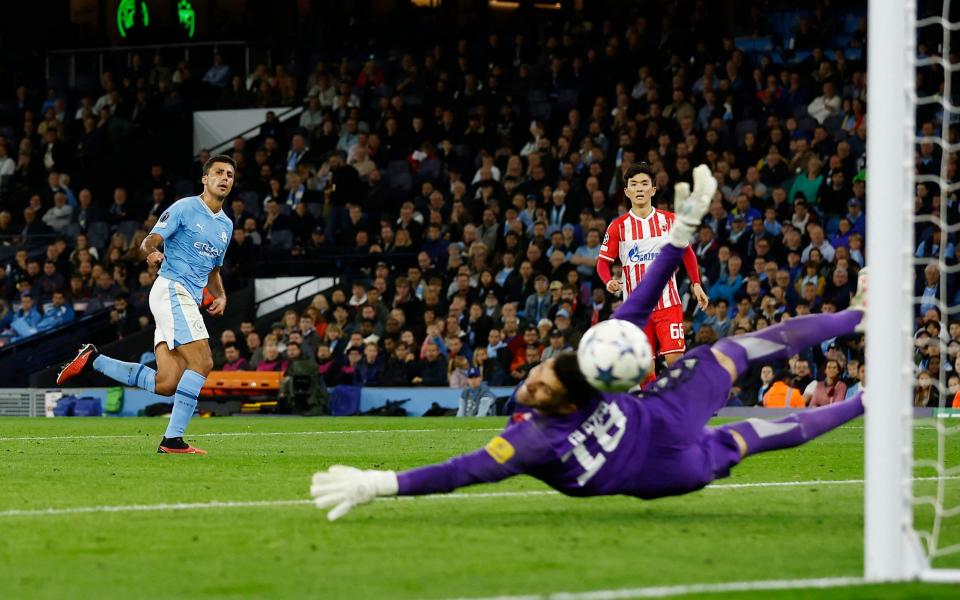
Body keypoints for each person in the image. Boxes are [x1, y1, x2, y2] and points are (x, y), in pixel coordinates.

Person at [309, 165, 868, 522]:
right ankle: (867, 402)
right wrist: (379, 484)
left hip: (655, 410)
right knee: (751, 436)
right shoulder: (537, 438)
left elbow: (642, 298)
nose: (534, 376)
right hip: (666, 465)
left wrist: (678, 237)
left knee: (736, 348)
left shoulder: (559, 406)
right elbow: (458, 472)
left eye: (544, 376)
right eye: (543, 376)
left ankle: (855, 315)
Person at [56, 155, 236, 455]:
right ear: (205, 179)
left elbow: (214, 269)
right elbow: (149, 240)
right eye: (218, 172)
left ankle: (94, 360)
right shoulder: (184, 207)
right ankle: (172, 439)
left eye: (230, 174)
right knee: (203, 361)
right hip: (171, 290)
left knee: (167, 382)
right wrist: (152, 252)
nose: (225, 178)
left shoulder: (226, 226)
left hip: (185, 298)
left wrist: (221, 295)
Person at [596, 163, 709, 369]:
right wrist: (608, 280)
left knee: (675, 361)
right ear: (627, 191)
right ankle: (650, 400)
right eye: (634, 184)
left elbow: (687, 252)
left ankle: (679, 401)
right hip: (636, 308)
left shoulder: (669, 220)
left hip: (668, 303)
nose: (639, 188)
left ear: (653, 190)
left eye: (644, 184)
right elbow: (603, 262)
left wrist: (696, 283)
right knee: (643, 369)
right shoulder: (618, 226)